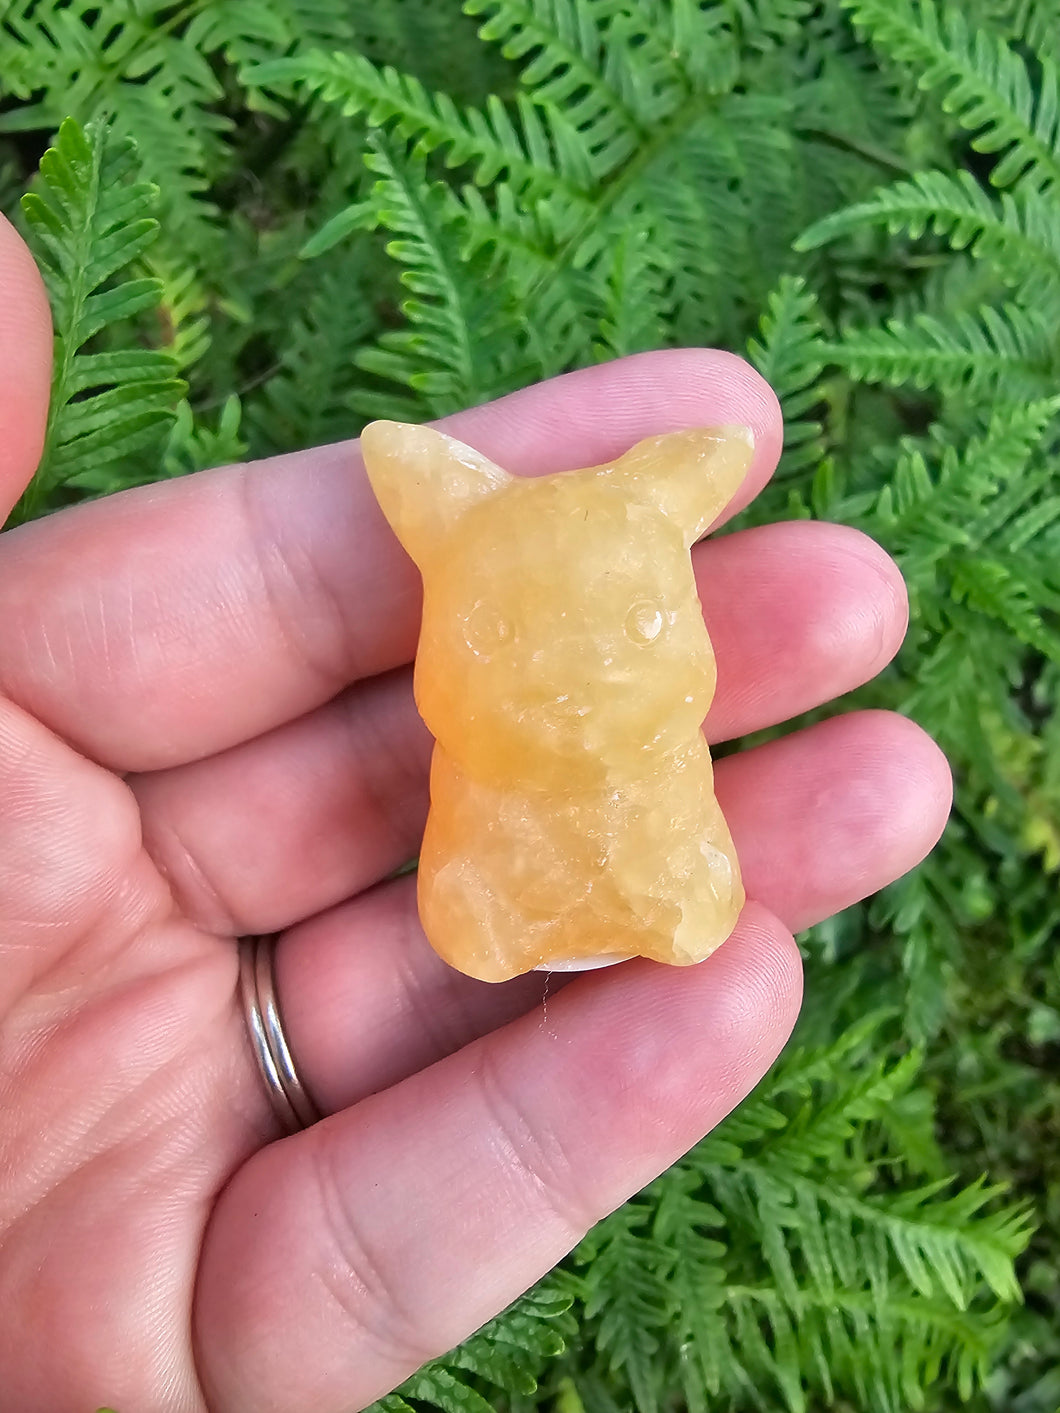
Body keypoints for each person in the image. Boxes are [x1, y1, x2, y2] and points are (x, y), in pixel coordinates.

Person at [0, 208, 951, 1413]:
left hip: (641, 824)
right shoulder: (468, 704)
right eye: (502, 636)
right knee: (488, 894)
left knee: (679, 887)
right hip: (492, 844)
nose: (570, 677)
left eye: (634, 629)